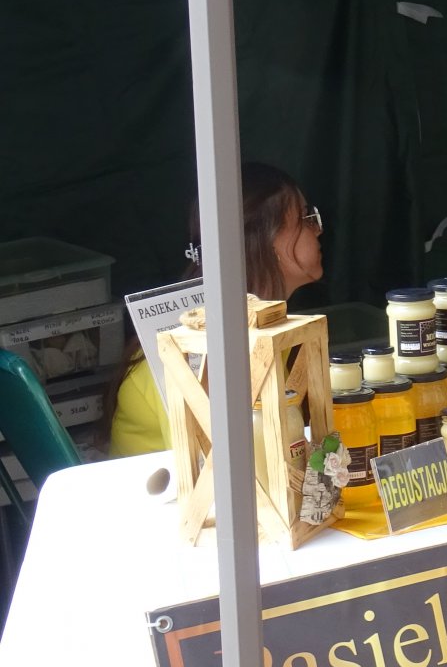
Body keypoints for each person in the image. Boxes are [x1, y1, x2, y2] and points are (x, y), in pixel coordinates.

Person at [108, 162, 326, 457]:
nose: (318, 229)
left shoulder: (268, 325)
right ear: (264, 240)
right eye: (305, 218)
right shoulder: (191, 344)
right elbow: (212, 465)